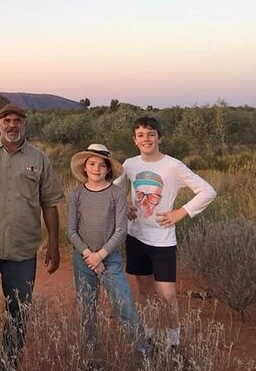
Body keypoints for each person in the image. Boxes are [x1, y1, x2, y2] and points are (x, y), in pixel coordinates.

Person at [0, 104, 64, 371]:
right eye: (6, 120)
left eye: (18, 120)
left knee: (18, 314)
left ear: (25, 125)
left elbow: (50, 202)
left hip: (22, 252)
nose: (12, 125)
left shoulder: (39, 158)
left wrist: (53, 243)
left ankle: (9, 365)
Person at [114, 116, 216, 351]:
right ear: (134, 140)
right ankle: (148, 335)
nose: (146, 139)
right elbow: (115, 189)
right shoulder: (129, 165)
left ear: (159, 137)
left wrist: (181, 212)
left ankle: (173, 341)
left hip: (162, 239)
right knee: (143, 289)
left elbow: (207, 191)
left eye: (151, 134)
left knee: (168, 294)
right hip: (136, 236)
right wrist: (126, 204)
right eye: (141, 135)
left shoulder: (173, 165)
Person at [66, 143, 150, 360]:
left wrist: (100, 255)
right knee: (87, 309)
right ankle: (92, 358)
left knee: (125, 307)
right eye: (92, 164)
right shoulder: (76, 194)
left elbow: (121, 230)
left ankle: (144, 356)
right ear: (85, 167)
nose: (96, 168)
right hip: (82, 259)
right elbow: (70, 230)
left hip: (109, 258)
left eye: (101, 165)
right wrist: (88, 255)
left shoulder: (116, 193)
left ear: (108, 169)